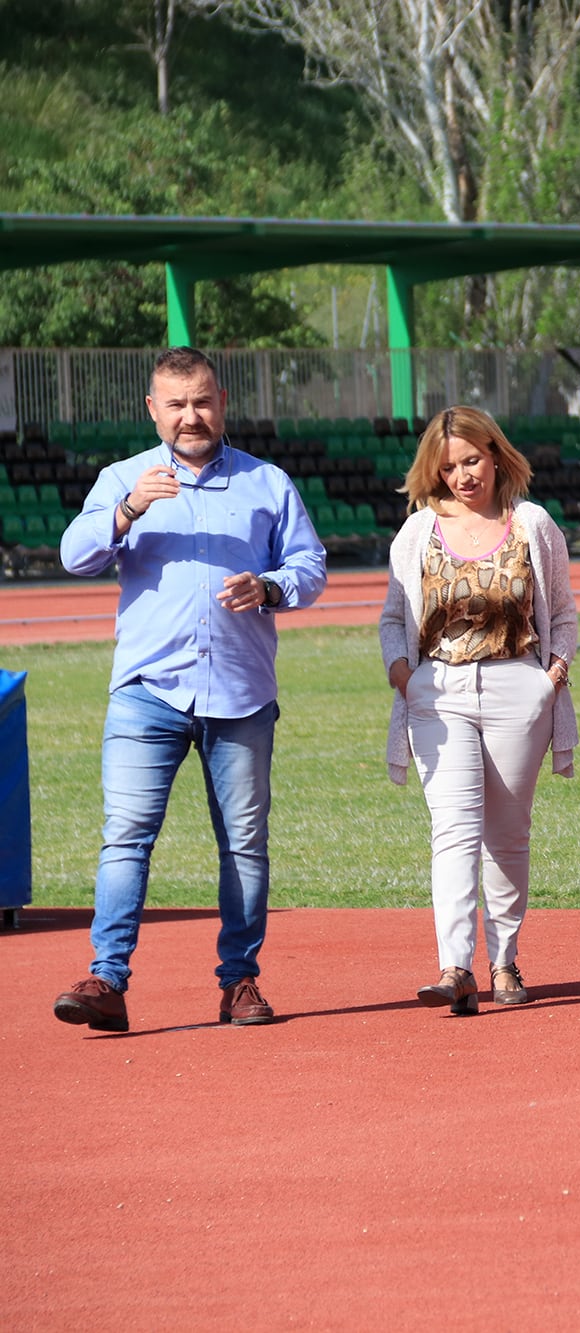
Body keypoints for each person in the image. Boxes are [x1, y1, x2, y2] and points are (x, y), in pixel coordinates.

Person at [52, 346, 326, 1032]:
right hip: (148, 692)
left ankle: (240, 981)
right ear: (153, 409)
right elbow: (74, 554)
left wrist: (269, 587)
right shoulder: (123, 478)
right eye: (175, 404)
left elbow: (310, 567)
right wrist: (127, 509)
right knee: (126, 836)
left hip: (240, 695)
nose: (190, 416)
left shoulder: (267, 483)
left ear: (222, 402)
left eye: (201, 401)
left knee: (243, 843)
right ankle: (107, 979)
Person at [379, 407, 578, 1016]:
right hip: (437, 692)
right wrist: (403, 676)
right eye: (449, 467)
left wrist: (553, 675)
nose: (463, 476)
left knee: (507, 835)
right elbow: (394, 619)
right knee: (454, 831)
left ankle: (505, 960)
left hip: (519, 688)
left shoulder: (533, 525)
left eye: (471, 461)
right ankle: (455, 965)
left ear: (495, 455)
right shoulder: (417, 533)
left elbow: (563, 613)